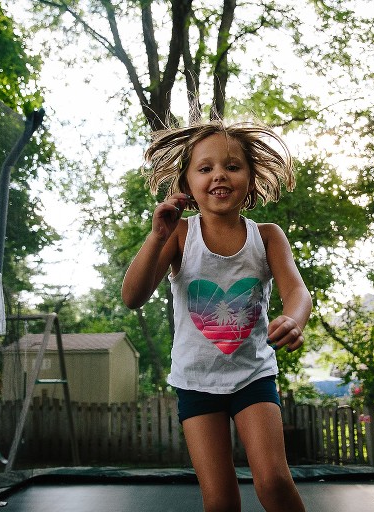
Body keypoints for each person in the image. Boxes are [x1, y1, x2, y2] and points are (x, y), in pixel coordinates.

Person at [122, 119, 311, 512]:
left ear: (251, 179)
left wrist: (294, 319)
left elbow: (297, 291)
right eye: (205, 168)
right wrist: (156, 237)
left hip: (253, 376)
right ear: (187, 185)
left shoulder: (267, 236)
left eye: (232, 166)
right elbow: (132, 297)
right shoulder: (179, 235)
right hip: (195, 381)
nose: (219, 175)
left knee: (275, 482)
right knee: (220, 500)